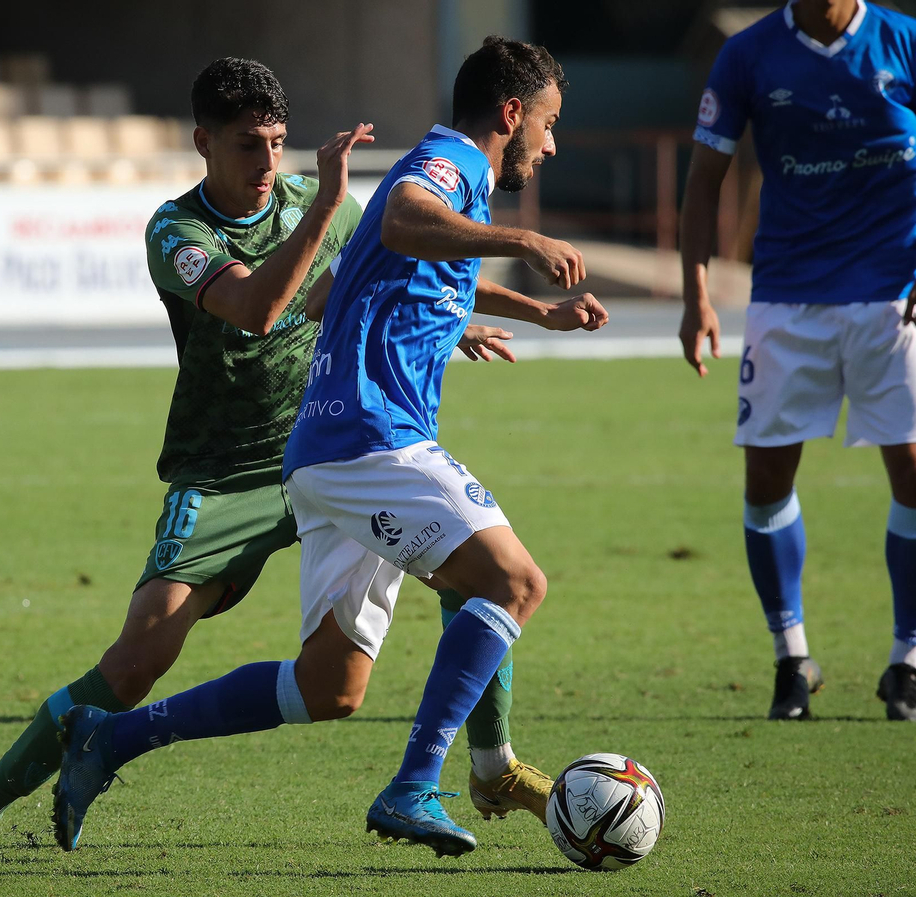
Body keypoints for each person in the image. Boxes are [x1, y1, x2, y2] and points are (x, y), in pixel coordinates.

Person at [0, 56, 540, 850]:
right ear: (203, 142)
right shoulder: (176, 231)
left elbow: (388, 266)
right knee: (137, 659)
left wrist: (479, 314)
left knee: (462, 577)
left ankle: (492, 761)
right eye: (249, 145)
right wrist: (322, 208)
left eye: (278, 142)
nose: (267, 163)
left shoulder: (312, 202)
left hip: (332, 445)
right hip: (227, 472)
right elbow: (257, 308)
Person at [52, 38, 608, 857]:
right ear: (512, 113)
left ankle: (112, 738)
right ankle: (428, 781)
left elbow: (343, 287)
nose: (552, 145)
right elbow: (405, 218)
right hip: (369, 437)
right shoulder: (452, 162)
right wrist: (525, 246)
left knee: (330, 686)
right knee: (514, 580)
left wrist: (533, 315)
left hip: (327, 447)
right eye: (550, 124)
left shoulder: (455, 185)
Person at [678, 0, 916, 722]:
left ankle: (908, 662)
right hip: (787, 297)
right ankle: (790, 657)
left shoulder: (912, 43)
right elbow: (703, 180)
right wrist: (697, 296)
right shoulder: (748, 54)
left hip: (892, 298)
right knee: (767, 475)